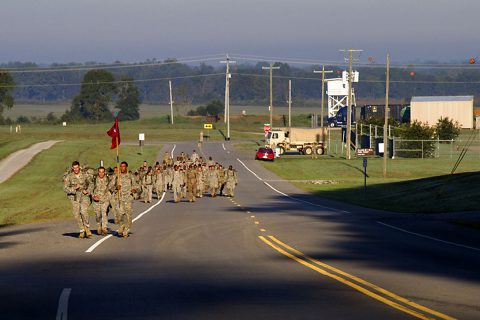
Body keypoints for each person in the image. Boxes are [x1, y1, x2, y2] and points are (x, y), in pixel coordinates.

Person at [63, 161, 93, 239]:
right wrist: (74, 188)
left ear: (79, 167)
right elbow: (65, 188)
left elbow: (91, 184)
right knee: (76, 214)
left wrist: (88, 191)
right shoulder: (69, 176)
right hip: (75, 197)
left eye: (77, 167)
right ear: (72, 168)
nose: (76, 169)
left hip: (84, 196)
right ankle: (81, 230)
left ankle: (87, 228)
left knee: (83, 212)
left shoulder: (85, 175)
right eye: (74, 168)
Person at [108, 161, 138, 238]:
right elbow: (109, 186)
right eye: (121, 166)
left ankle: (126, 230)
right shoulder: (116, 176)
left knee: (128, 216)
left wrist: (134, 190)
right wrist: (115, 188)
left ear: (126, 167)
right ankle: (121, 226)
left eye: (123, 166)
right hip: (119, 199)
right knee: (120, 215)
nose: (122, 168)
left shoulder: (131, 176)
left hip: (128, 199)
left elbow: (137, 186)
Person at [92, 166, 111, 236]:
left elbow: (111, 188)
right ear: (98, 172)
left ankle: (104, 228)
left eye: (102, 172)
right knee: (98, 215)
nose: (101, 173)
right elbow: (90, 188)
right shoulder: (94, 180)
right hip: (96, 200)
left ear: (105, 172)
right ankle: (99, 226)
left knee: (104, 213)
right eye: (100, 172)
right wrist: (93, 196)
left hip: (105, 200)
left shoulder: (108, 179)